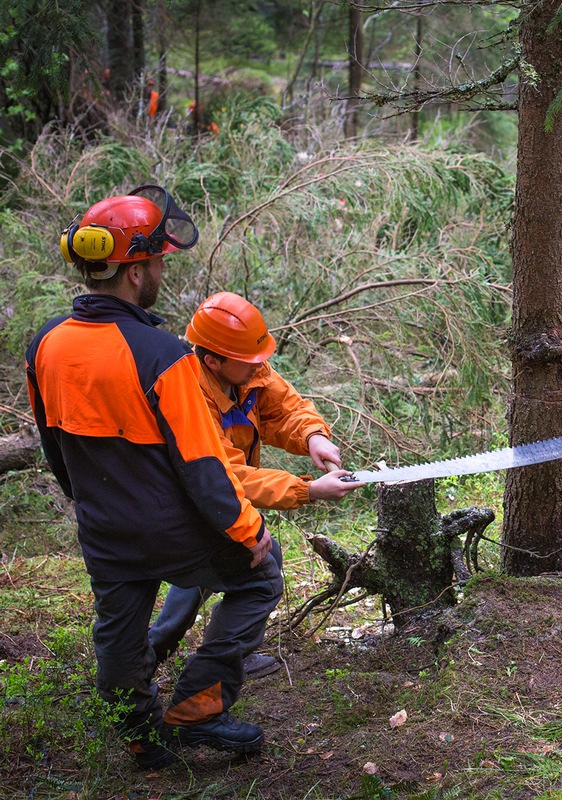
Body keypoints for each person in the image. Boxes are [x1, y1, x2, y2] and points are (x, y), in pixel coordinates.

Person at [27, 186, 283, 769]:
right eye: (160, 261)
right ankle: (198, 706)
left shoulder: (45, 342)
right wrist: (249, 531)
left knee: (118, 627)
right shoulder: (165, 355)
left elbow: (53, 445)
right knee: (261, 577)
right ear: (136, 272)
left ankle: (139, 734)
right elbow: (202, 465)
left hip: (103, 524)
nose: (163, 270)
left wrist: (90, 505)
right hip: (171, 527)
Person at [149, 291, 364, 677]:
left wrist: (314, 435)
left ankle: (178, 649)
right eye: (250, 360)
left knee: (228, 570)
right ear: (212, 360)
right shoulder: (193, 394)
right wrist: (309, 490)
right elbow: (228, 476)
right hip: (197, 504)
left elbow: (284, 410)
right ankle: (193, 658)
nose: (260, 366)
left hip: (224, 505)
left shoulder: (248, 369)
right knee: (258, 565)